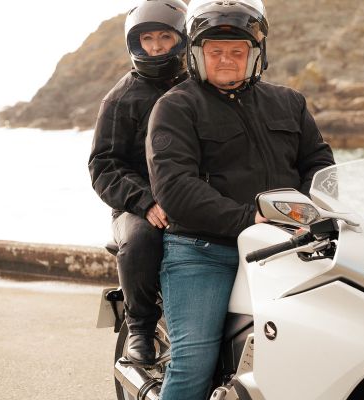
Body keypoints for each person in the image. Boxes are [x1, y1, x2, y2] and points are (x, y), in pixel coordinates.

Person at [145, 0, 335, 397]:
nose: (227, 60)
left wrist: (310, 210)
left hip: (288, 245)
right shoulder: (175, 107)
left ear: (256, 55)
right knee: (194, 358)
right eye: (216, 51)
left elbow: (319, 164)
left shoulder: (289, 102)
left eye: (237, 51)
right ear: (198, 54)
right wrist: (249, 219)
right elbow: (175, 187)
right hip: (204, 250)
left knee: (326, 340)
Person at [88, 0, 188, 367]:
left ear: (182, 38)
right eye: (148, 38)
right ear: (136, 43)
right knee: (142, 237)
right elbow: (103, 164)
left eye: (165, 36)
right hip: (137, 205)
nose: (158, 46)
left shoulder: (198, 87)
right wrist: (145, 201)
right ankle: (141, 328)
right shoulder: (120, 98)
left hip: (191, 196)